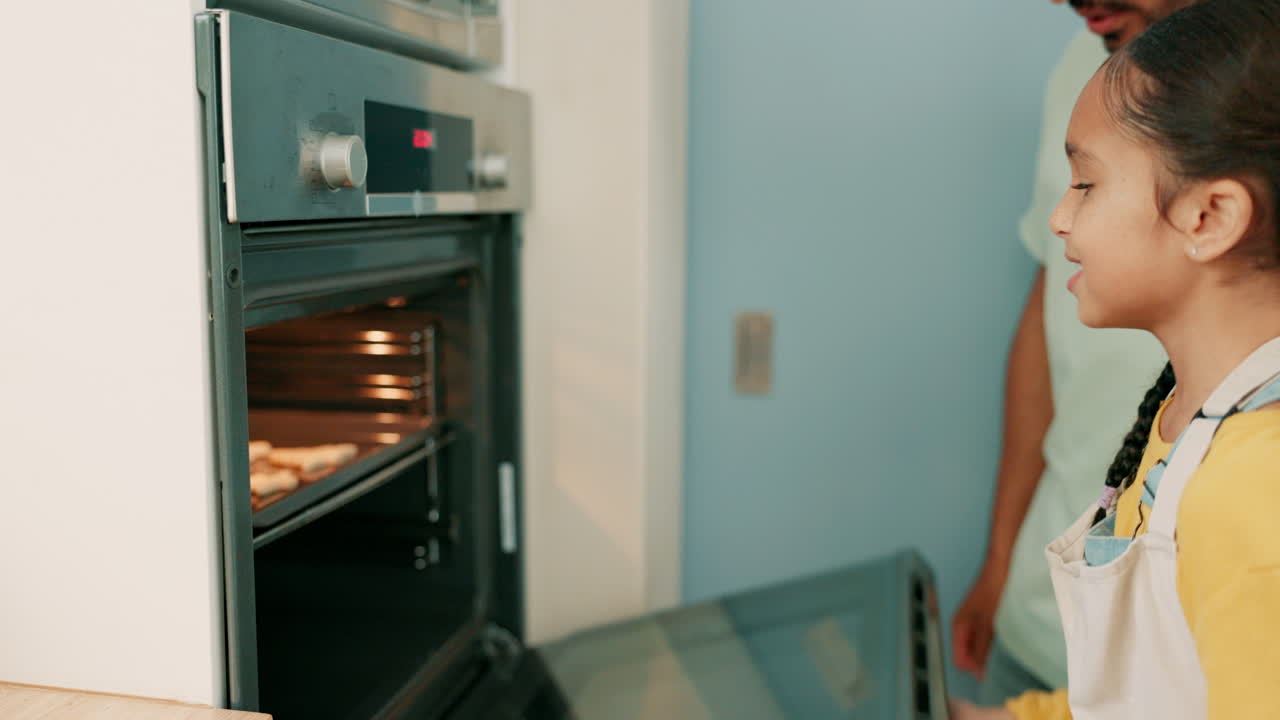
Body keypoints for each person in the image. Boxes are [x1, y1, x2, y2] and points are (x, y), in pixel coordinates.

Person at [953, 0, 1280, 717]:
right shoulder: (1179, 425)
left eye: (1087, 186)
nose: (1058, 219)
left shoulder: (1253, 502)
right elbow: (1148, 692)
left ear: (1211, 217)